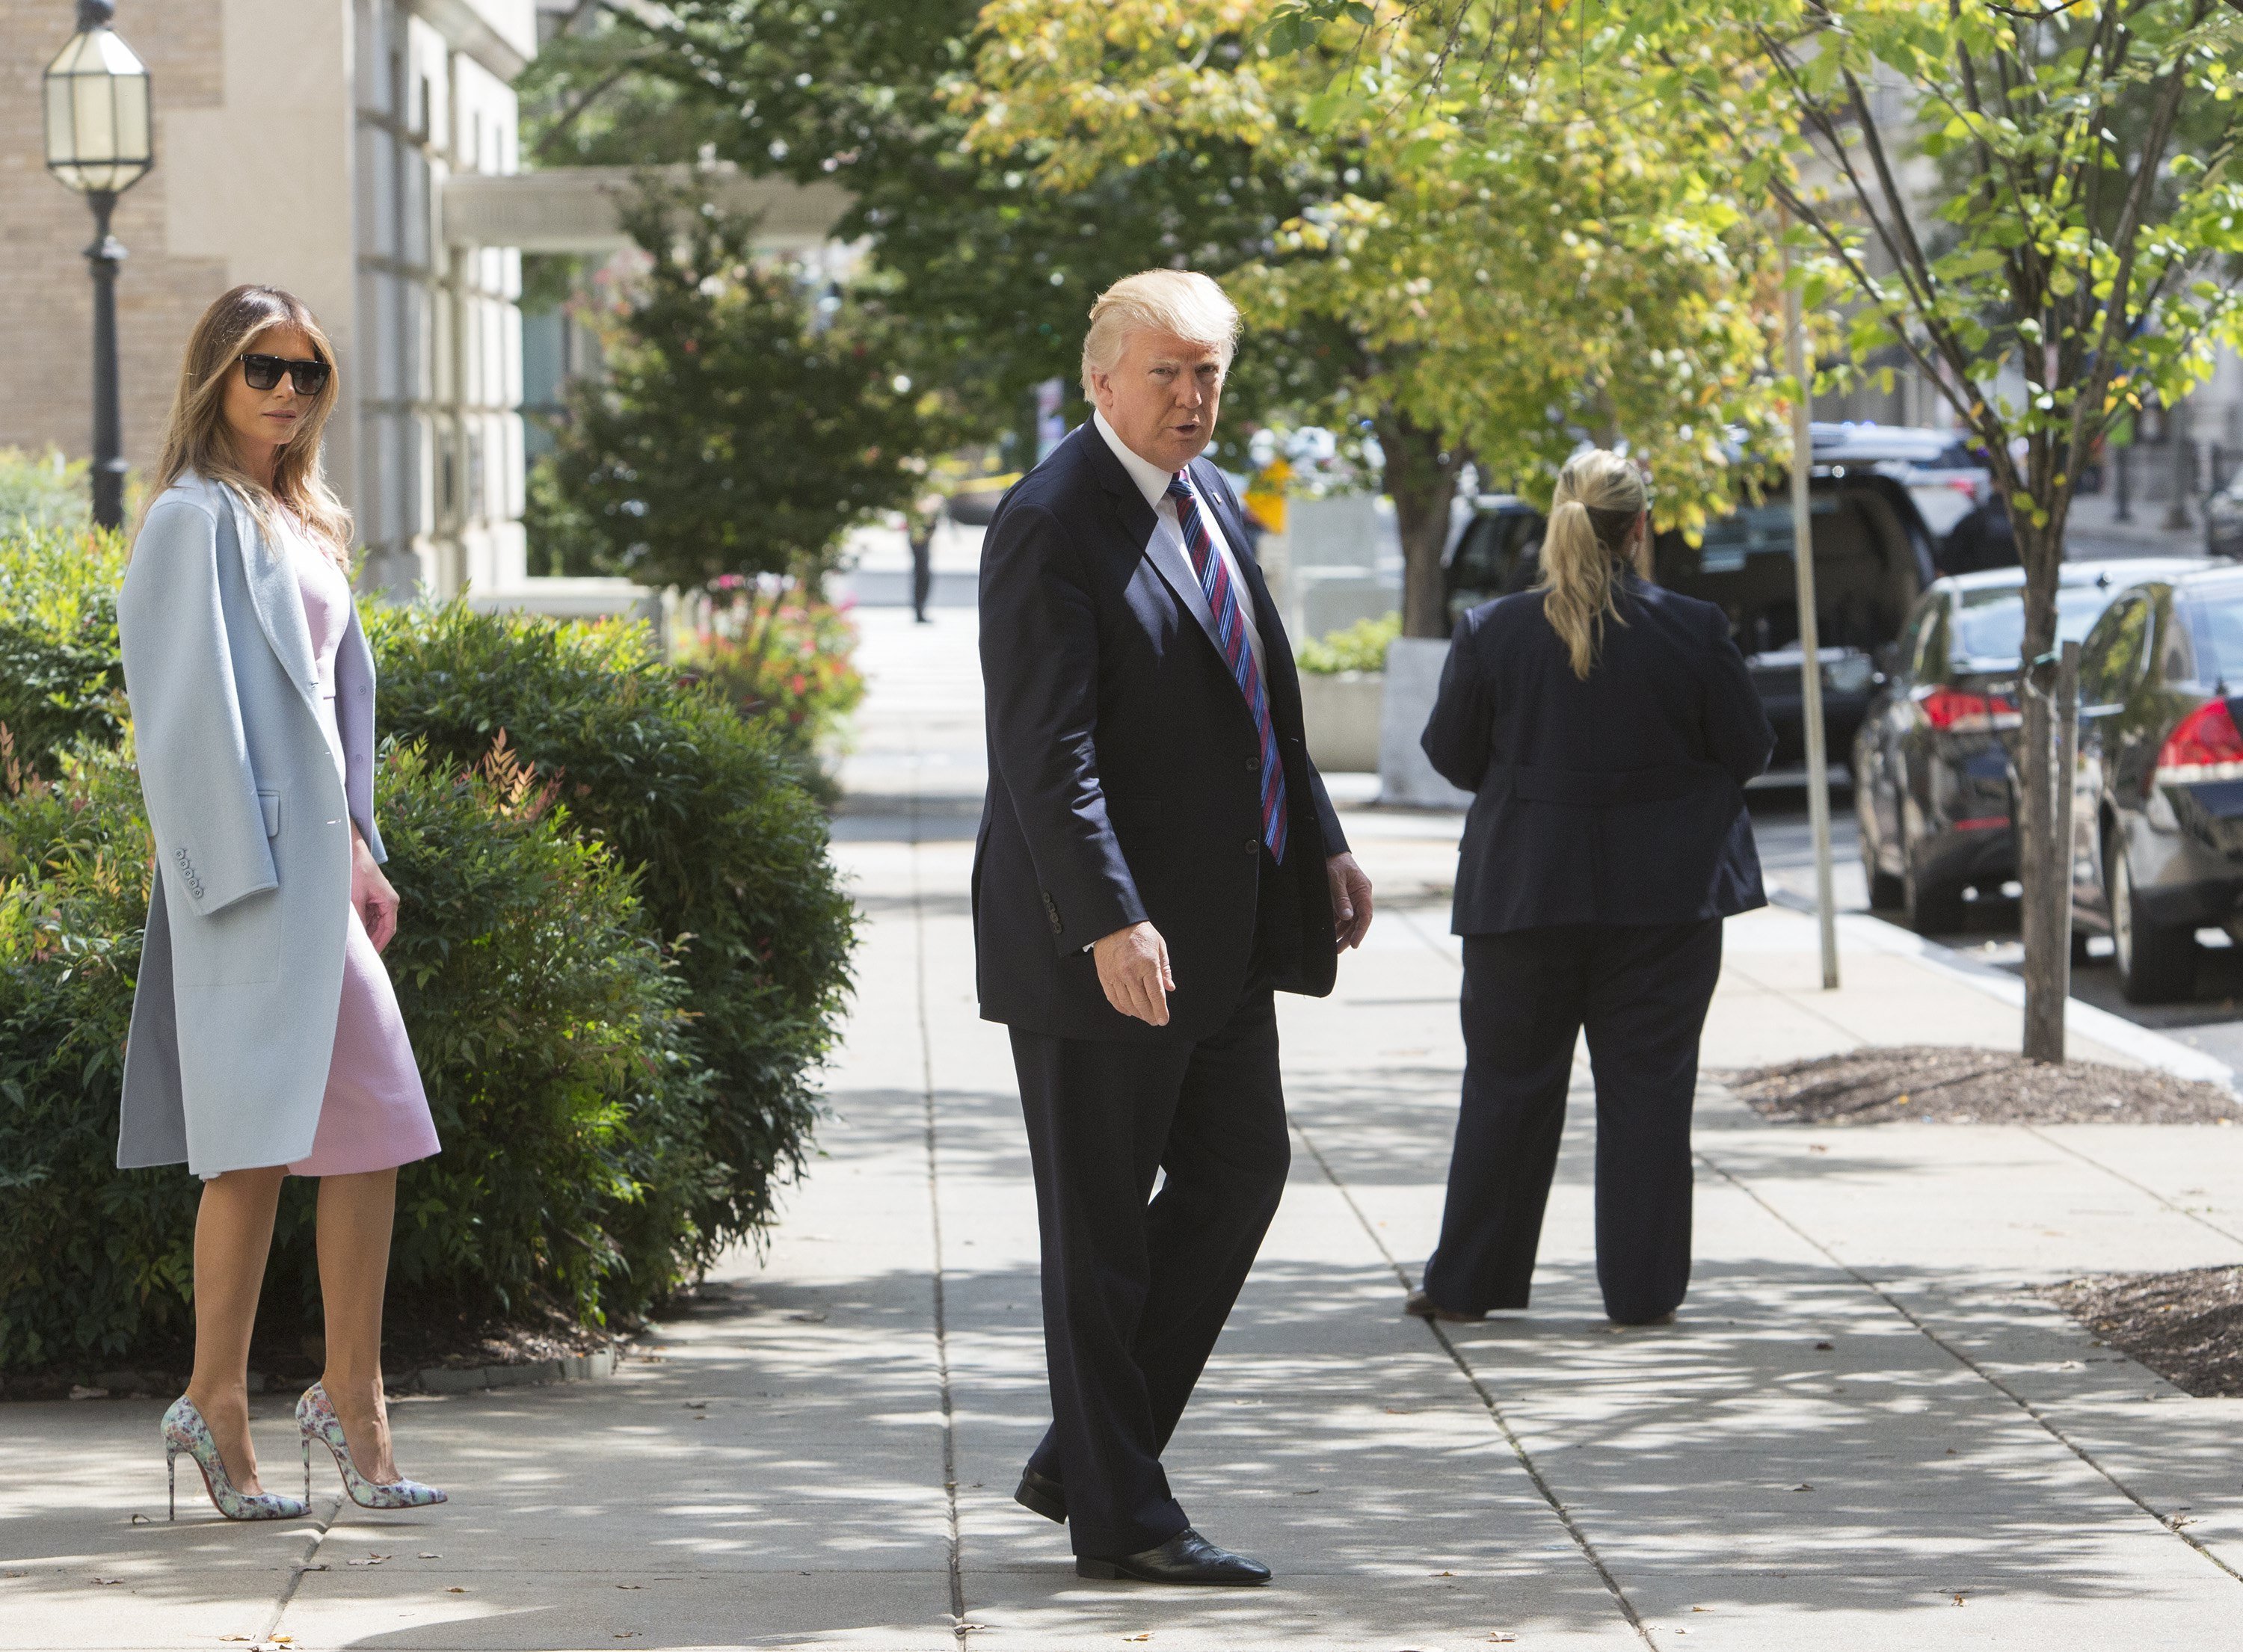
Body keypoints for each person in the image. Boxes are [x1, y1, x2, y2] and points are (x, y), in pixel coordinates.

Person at [975, 269, 1375, 1586]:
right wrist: (1107, 918)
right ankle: (1125, 1517)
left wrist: (1320, 836)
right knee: (1097, 1232)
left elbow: (1263, 696)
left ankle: (1086, 1452)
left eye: (1209, 372)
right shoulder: (1050, 522)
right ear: (1100, 383)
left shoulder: (1207, 499)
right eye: (1168, 372)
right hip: (1100, 942)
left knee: (1239, 1172)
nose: (1194, 397)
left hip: (1223, 927)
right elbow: (1048, 752)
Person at [117, 285, 446, 1521]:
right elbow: (181, 720)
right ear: (219, 376)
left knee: (372, 1126)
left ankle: (346, 1398)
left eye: (310, 373)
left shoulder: (307, 520)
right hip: (249, 882)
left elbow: (334, 702)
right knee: (255, 1148)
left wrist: (364, 843)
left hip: (324, 877)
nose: (291, 393)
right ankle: (220, 1402)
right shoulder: (192, 524)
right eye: (267, 370)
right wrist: (235, 878)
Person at [1409, 449, 1772, 1330]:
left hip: (1523, 893)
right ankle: (1642, 1292)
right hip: (1664, 904)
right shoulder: (1693, 627)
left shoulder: (1492, 630)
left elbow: (1452, 755)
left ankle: (1468, 1282)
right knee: (1650, 1092)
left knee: (1507, 1086)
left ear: (1558, 520)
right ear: (1640, 527)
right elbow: (1751, 748)